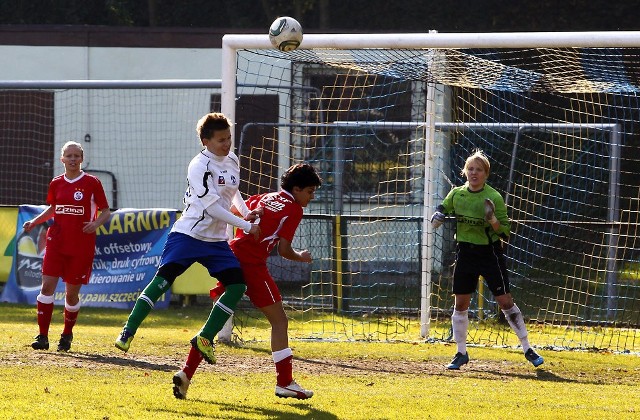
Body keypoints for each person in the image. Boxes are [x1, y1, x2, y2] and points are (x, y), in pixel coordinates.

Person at [114, 112, 260, 365]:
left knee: (237, 286)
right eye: (220, 140)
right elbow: (212, 208)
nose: (227, 144)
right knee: (163, 281)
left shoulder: (232, 159)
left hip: (215, 241)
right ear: (205, 141)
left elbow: (233, 193)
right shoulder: (199, 166)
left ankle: (205, 337)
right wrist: (246, 225)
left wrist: (249, 213)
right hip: (189, 234)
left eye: (229, 138)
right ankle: (128, 330)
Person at [172, 163, 322, 401]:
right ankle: (285, 382)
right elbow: (284, 250)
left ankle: (186, 373)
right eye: (310, 191)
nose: (312, 197)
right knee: (280, 321)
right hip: (251, 263)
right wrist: (301, 257)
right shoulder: (294, 209)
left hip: (230, 255)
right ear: (296, 188)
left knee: (216, 321)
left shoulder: (264, 197)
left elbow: (235, 209)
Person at [430, 150, 544, 370]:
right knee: (460, 304)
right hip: (465, 253)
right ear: (465, 171)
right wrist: (438, 216)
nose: (474, 173)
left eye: (479, 170)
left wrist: (492, 220)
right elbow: (442, 208)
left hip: (490, 254)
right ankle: (460, 353)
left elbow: (505, 234)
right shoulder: (457, 194)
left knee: (505, 302)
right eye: (470, 169)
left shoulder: (494, 197)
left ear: (486, 174)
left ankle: (527, 348)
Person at [25, 141, 111, 352]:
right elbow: (54, 209)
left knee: (71, 294)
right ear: (62, 159)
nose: (73, 159)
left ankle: (66, 334)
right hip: (56, 243)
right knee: (46, 287)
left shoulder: (92, 183)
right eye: (69, 156)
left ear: (82, 159)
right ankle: (42, 336)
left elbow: (106, 211)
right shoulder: (56, 183)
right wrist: (35, 221)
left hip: (81, 246)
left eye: (76, 156)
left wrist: (95, 224)